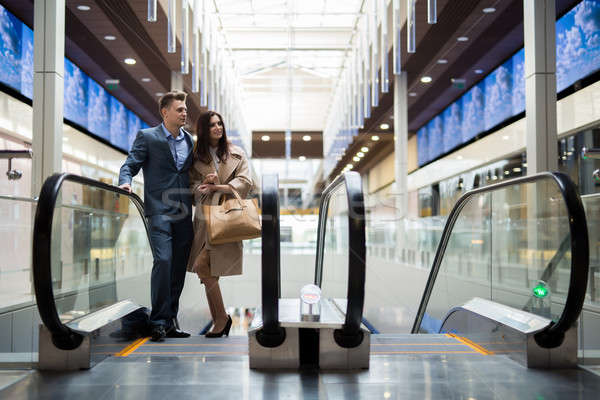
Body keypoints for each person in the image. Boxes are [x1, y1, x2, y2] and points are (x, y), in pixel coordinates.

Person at [118, 91, 194, 342]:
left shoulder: (190, 141)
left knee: (178, 267)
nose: (185, 113)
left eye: (185, 109)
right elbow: (130, 164)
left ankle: (169, 320)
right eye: (180, 109)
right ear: (165, 112)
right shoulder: (148, 137)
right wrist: (125, 183)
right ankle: (158, 321)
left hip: (184, 212)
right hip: (159, 210)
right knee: (163, 260)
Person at [188, 111, 253, 337]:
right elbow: (190, 189)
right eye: (212, 125)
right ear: (204, 130)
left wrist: (219, 187)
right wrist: (203, 184)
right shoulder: (195, 157)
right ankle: (221, 319)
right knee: (204, 268)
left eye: (220, 124)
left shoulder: (237, 153)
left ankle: (221, 319)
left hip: (227, 219)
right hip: (205, 220)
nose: (218, 128)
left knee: (201, 267)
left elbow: (246, 183)